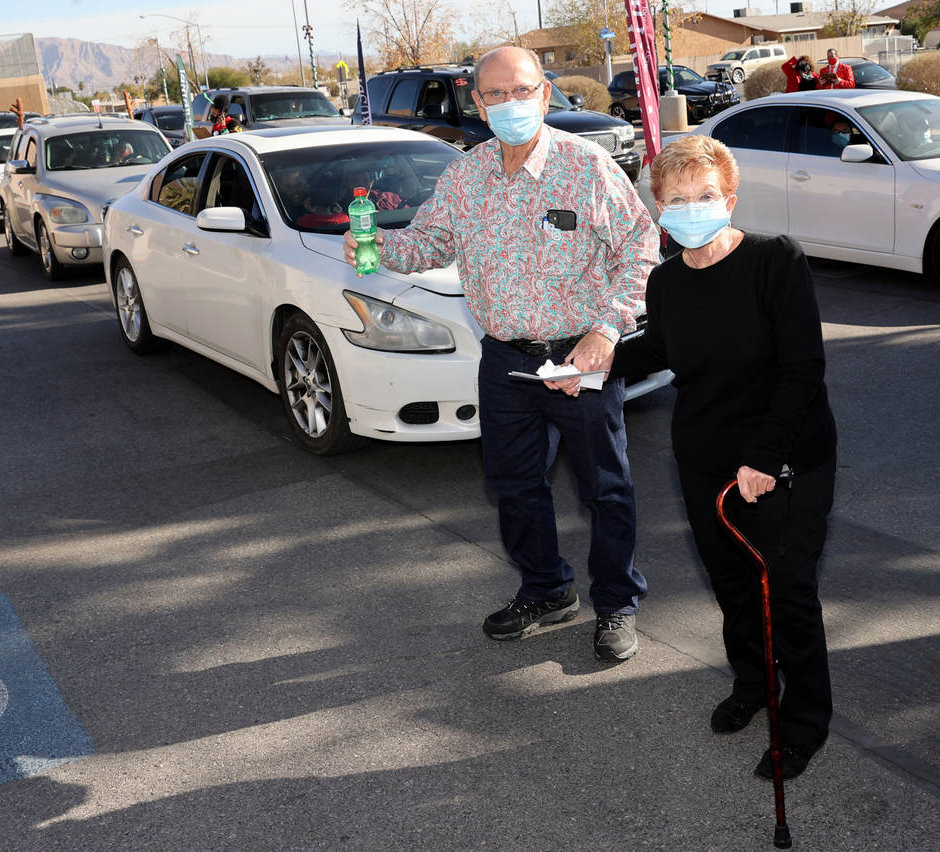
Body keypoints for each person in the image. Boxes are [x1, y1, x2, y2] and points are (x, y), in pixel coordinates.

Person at [342, 46, 659, 662]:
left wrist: (607, 331)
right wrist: (373, 248)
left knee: (605, 489)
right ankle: (546, 591)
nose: (510, 104)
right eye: (495, 95)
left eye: (522, 91)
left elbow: (641, 252)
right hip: (505, 361)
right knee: (514, 486)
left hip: (581, 357)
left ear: (544, 95)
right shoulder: (465, 175)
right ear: (478, 104)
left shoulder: (587, 168)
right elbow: (429, 241)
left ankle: (617, 602)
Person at [608, 135, 837, 781]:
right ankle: (754, 685)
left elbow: (802, 368)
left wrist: (765, 456)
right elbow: (659, 350)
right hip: (706, 455)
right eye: (677, 199)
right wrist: (589, 367)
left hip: (786, 452)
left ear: (729, 199)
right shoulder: (666, 280)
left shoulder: (775, 261)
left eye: (705, 196)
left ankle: (805, 720)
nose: (692, 208)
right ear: (658, 208)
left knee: (787, 590)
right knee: (733, 582)